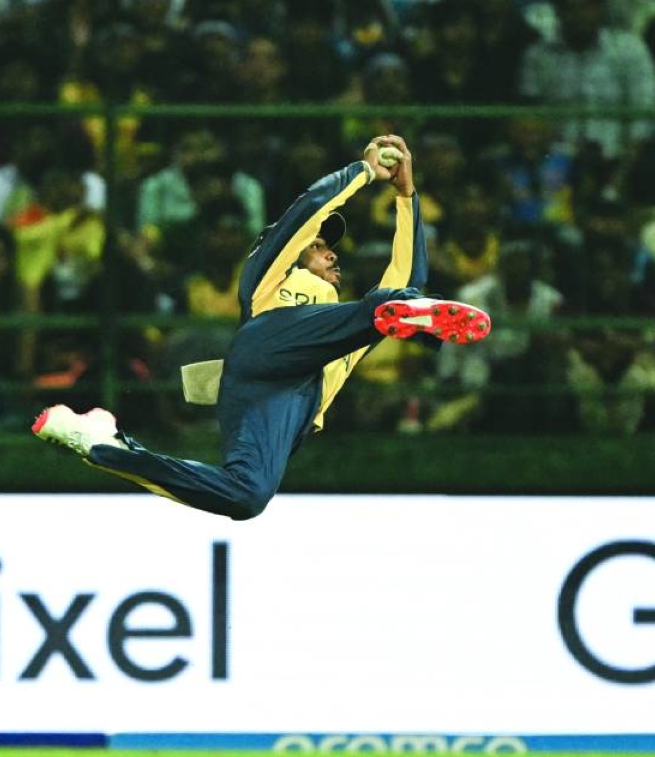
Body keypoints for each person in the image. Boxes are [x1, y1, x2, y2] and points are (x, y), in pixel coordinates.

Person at [32, 135, 493, 520]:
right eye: (319, 247)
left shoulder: (349, 322)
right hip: (265, 351)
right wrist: (363, 173)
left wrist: (406, 198)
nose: (332, 253)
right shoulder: (268, 277)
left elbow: (409, 284)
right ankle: (393, 315)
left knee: (247, 498)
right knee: (379, 309)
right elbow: (305, 211)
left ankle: (105, 445)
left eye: (332, 248)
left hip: (290, 404)